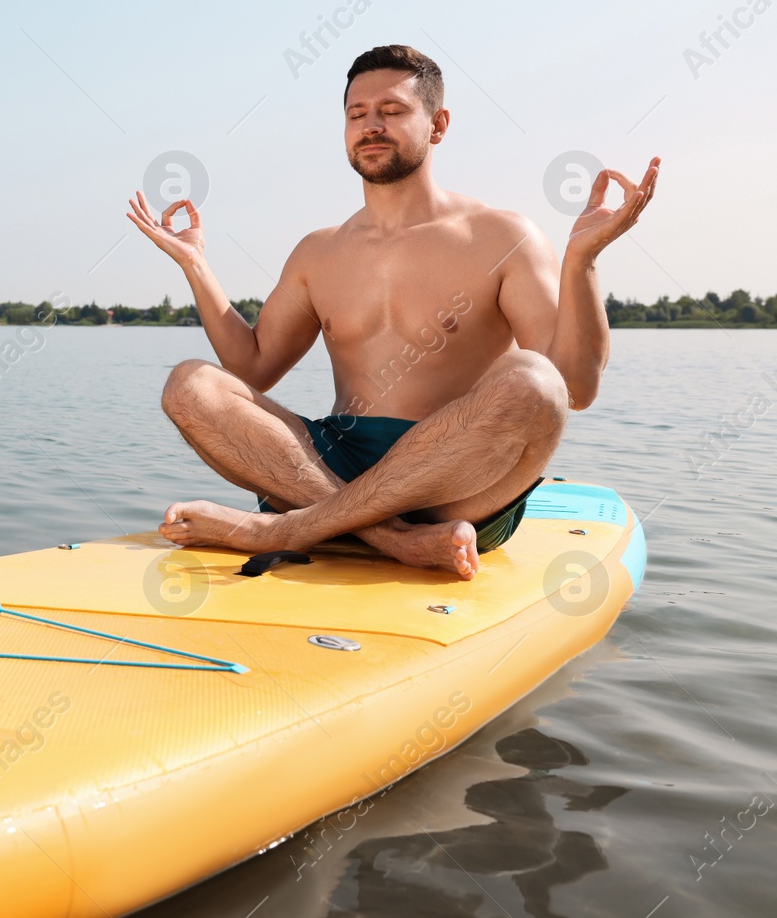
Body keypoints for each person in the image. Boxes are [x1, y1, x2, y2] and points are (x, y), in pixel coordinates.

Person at [127, 44, 659, 578]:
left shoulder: (502, 236)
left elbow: (575, 389)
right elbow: (252, 368)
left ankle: (283, 529)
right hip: (328, 468)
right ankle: (395, 541)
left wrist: (582, 261)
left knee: (536, 381)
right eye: (357, 114)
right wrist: (195, 265)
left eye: (393, 111)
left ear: (438, 124)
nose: (371, 126)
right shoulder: (319, 250)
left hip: (455, 484)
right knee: (189, 383)